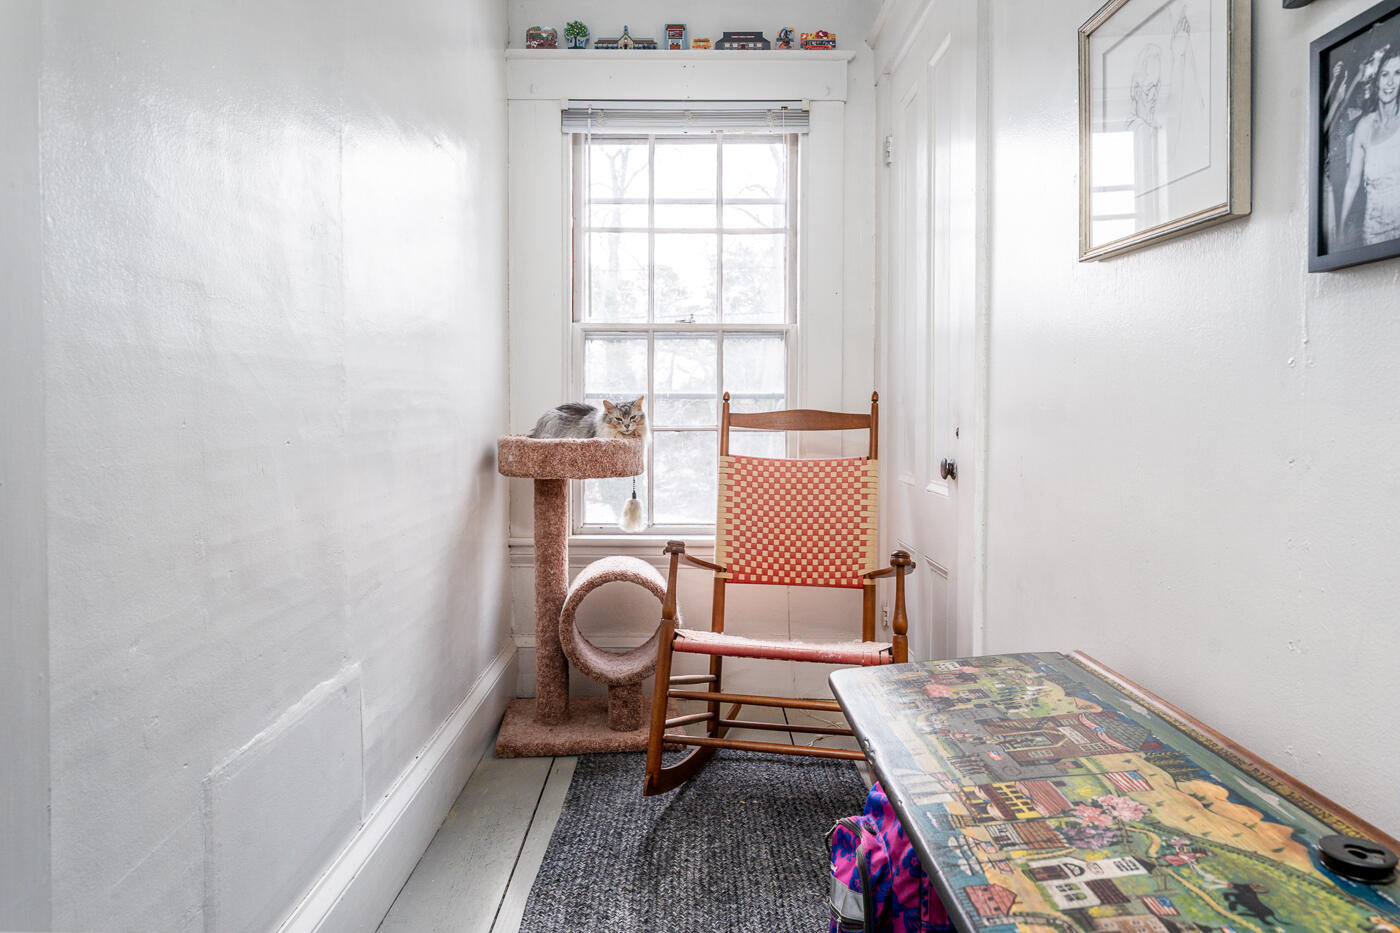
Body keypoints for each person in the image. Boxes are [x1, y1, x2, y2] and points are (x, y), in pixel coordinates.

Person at [1338, 41, 1400, 247]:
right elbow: (1352, 182)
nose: (1390, 82)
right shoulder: (1364, 126)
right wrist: (1339, 233)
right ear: (1376, 80)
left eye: (1397, 73)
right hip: (1371, 232)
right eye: (1385, 74)